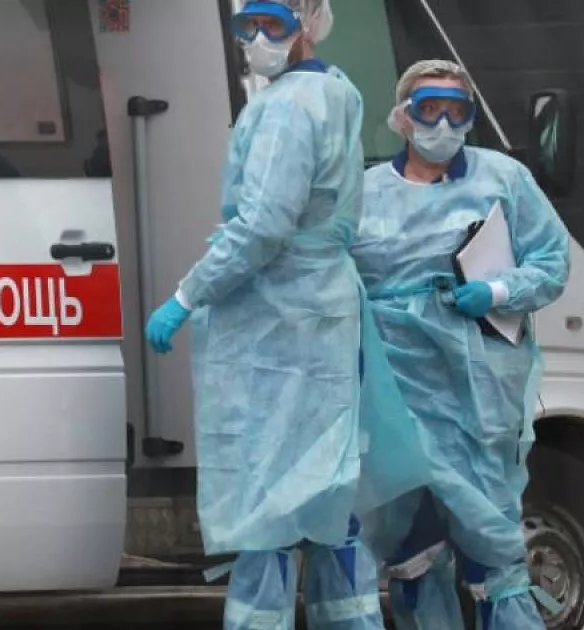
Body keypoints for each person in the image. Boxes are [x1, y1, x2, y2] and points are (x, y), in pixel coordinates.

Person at [144, 1, 412, 627]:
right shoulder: (338, 91)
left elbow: (262, 226)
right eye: (249, 25)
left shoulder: (287, 107)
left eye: (275, 24)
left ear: (308, 23)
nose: (259, 38)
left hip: (279, 318)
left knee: (270, 502)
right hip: (322, 312)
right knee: (326, 492)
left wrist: (186, 295)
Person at [352, 60, 571, 629]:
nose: (444, 125)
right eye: (429, 110)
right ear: (403, 117)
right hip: (393, 393)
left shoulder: (503, 180)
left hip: (477, 389)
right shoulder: (365, 193)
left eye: (457, 111)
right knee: (410, 542)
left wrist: (495, 290)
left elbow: (551, 261)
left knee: (490, 535)